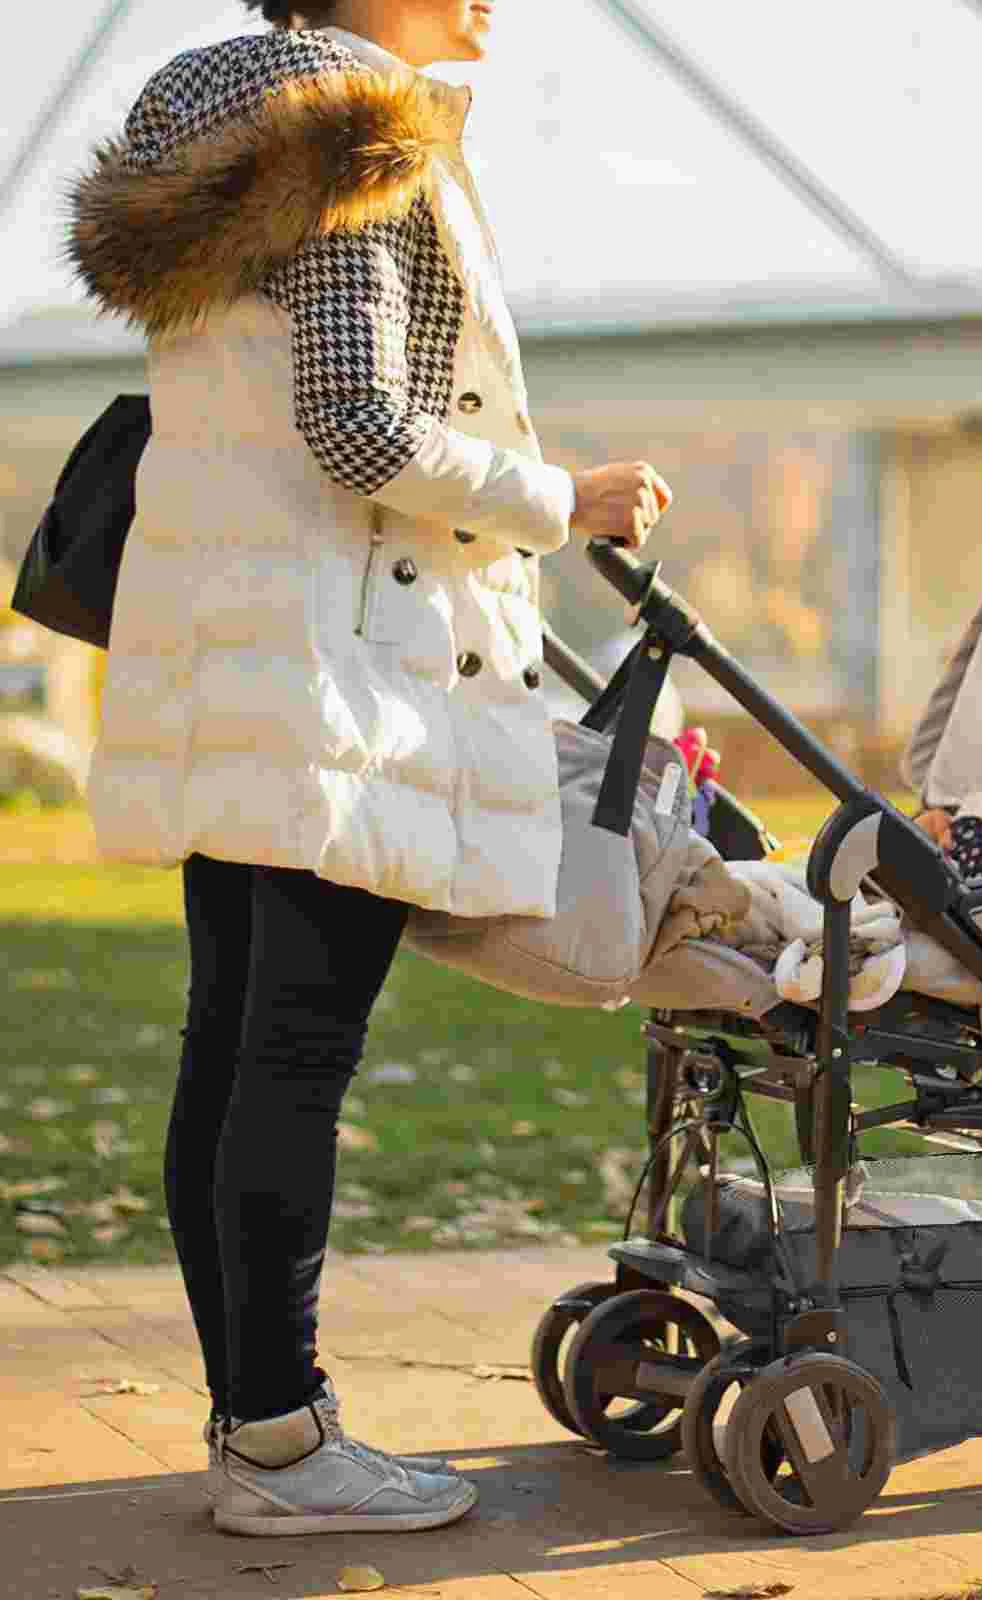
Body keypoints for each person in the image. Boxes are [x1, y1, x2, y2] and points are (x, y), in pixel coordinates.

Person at [66, 0, 672, 1537]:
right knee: (295, 1059)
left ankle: (257, 1427)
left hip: (229, 638)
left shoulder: (201, 110)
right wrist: (561, 497)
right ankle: (283, 1448)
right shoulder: (351, 123)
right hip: (342, 658)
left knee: (232, 1044)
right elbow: (353, 424)